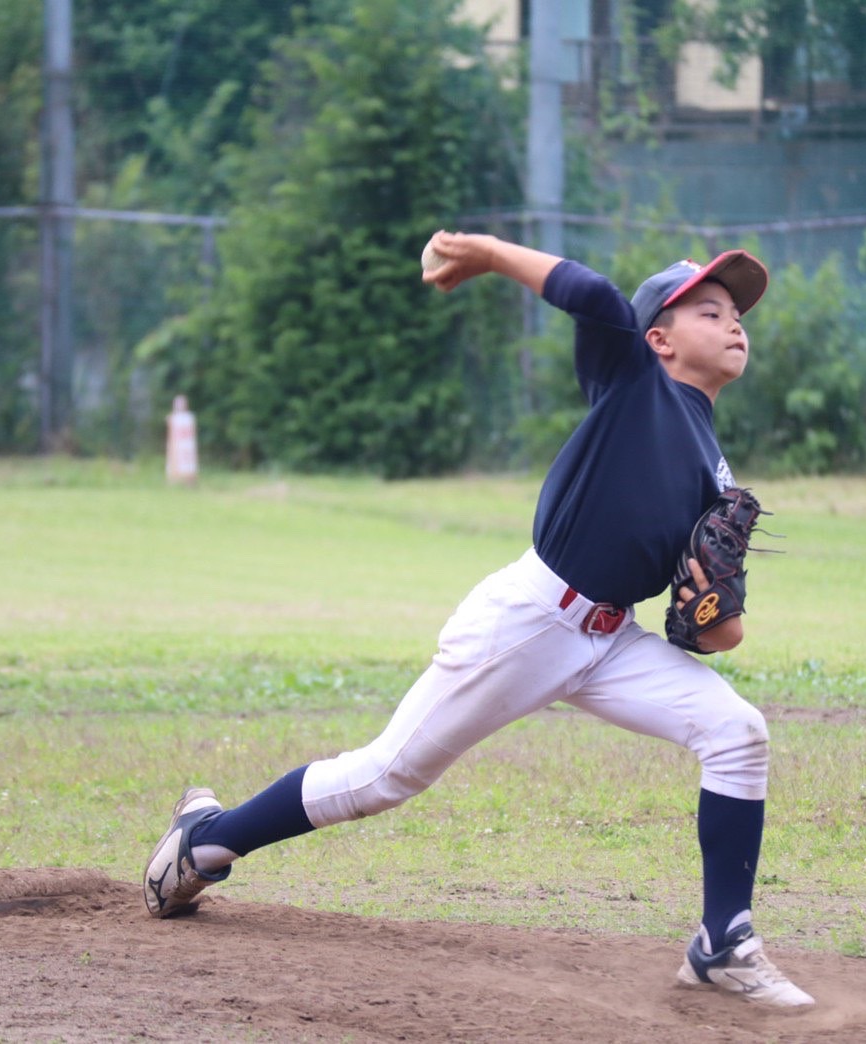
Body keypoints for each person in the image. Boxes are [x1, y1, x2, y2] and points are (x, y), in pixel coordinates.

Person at [143, 231, 814, 1009]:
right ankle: (206, 839)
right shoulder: (633, 382)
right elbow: (596, 298)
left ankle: (722, 943)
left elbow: (717, 634)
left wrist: (706, 617)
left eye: (737, 313)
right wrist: (489, 254)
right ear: (658, 338)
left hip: (608, 643)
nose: (735, 323)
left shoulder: (715, 465)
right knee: (384, 777)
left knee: (737, 732)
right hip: (527, 623)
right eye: (710, 309)